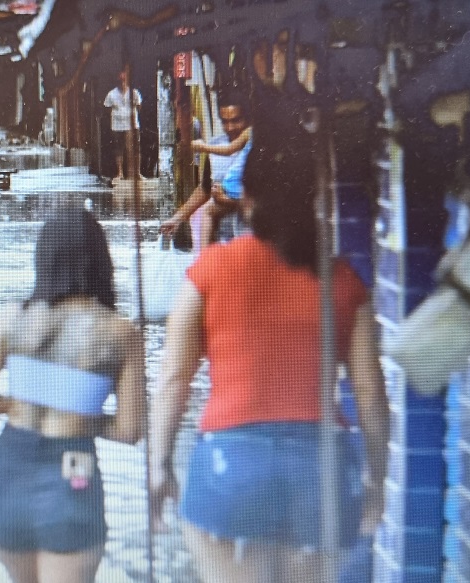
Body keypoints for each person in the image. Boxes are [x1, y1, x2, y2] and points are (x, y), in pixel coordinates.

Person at [148, 142, 388, 583]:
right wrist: (375, 478)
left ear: (248, 199)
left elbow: (172, 383)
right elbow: (371, 393)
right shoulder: (344, 281)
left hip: (230, 462)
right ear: (315, 198)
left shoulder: (211, 269)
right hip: (323, 466)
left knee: (206, 533)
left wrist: (159, 465)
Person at [0, 208, 147, 583]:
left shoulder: (12, 319)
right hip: (72, 478)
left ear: (43, 258)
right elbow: (129, 431)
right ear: (101, 261)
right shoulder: (120, 332)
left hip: (7, 479)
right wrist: (74, 415)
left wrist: (20, 403)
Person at [160, 95, 252, 249]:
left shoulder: (260, 149)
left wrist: (228, 201)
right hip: (222, 241)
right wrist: (177, 218)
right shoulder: (215, 146)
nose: (230, 127)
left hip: (252, 241)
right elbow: (205, 188)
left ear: (248, 119)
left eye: (236, 120)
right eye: (225, 122)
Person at [103, 66, 143, 182]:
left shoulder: (134, 93)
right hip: (117, 125)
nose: (122, 82)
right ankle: (120, 173)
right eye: (120, 80)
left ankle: (136, 173)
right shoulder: (111, 94)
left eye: (124, 80)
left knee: (135, 148)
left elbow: (139, 106)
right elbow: (107, 108)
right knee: (119, 148)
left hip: (132, 125)